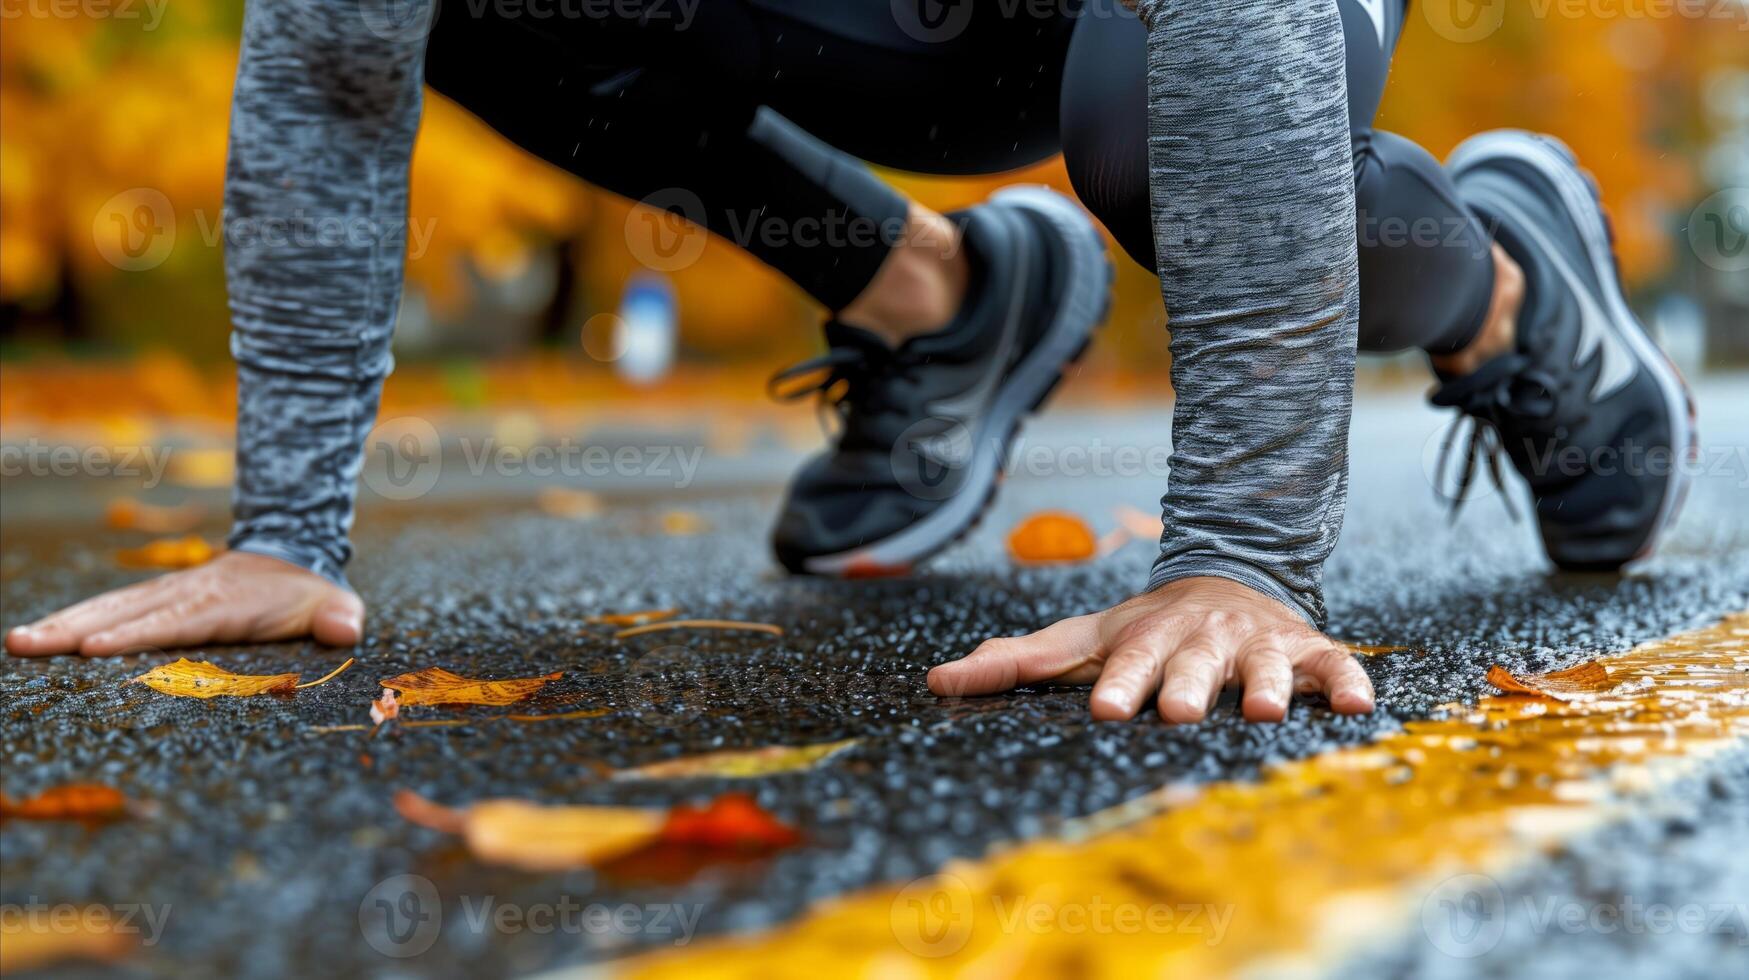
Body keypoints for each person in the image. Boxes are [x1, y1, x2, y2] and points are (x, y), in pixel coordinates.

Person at [4, 1, 1694, 729]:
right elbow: (330, 68)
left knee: (1154, 145)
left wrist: (1238, 560)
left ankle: (1498, 287)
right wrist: (282, 530)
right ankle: (938, 299)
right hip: (857, 38)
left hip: (1161, 40)